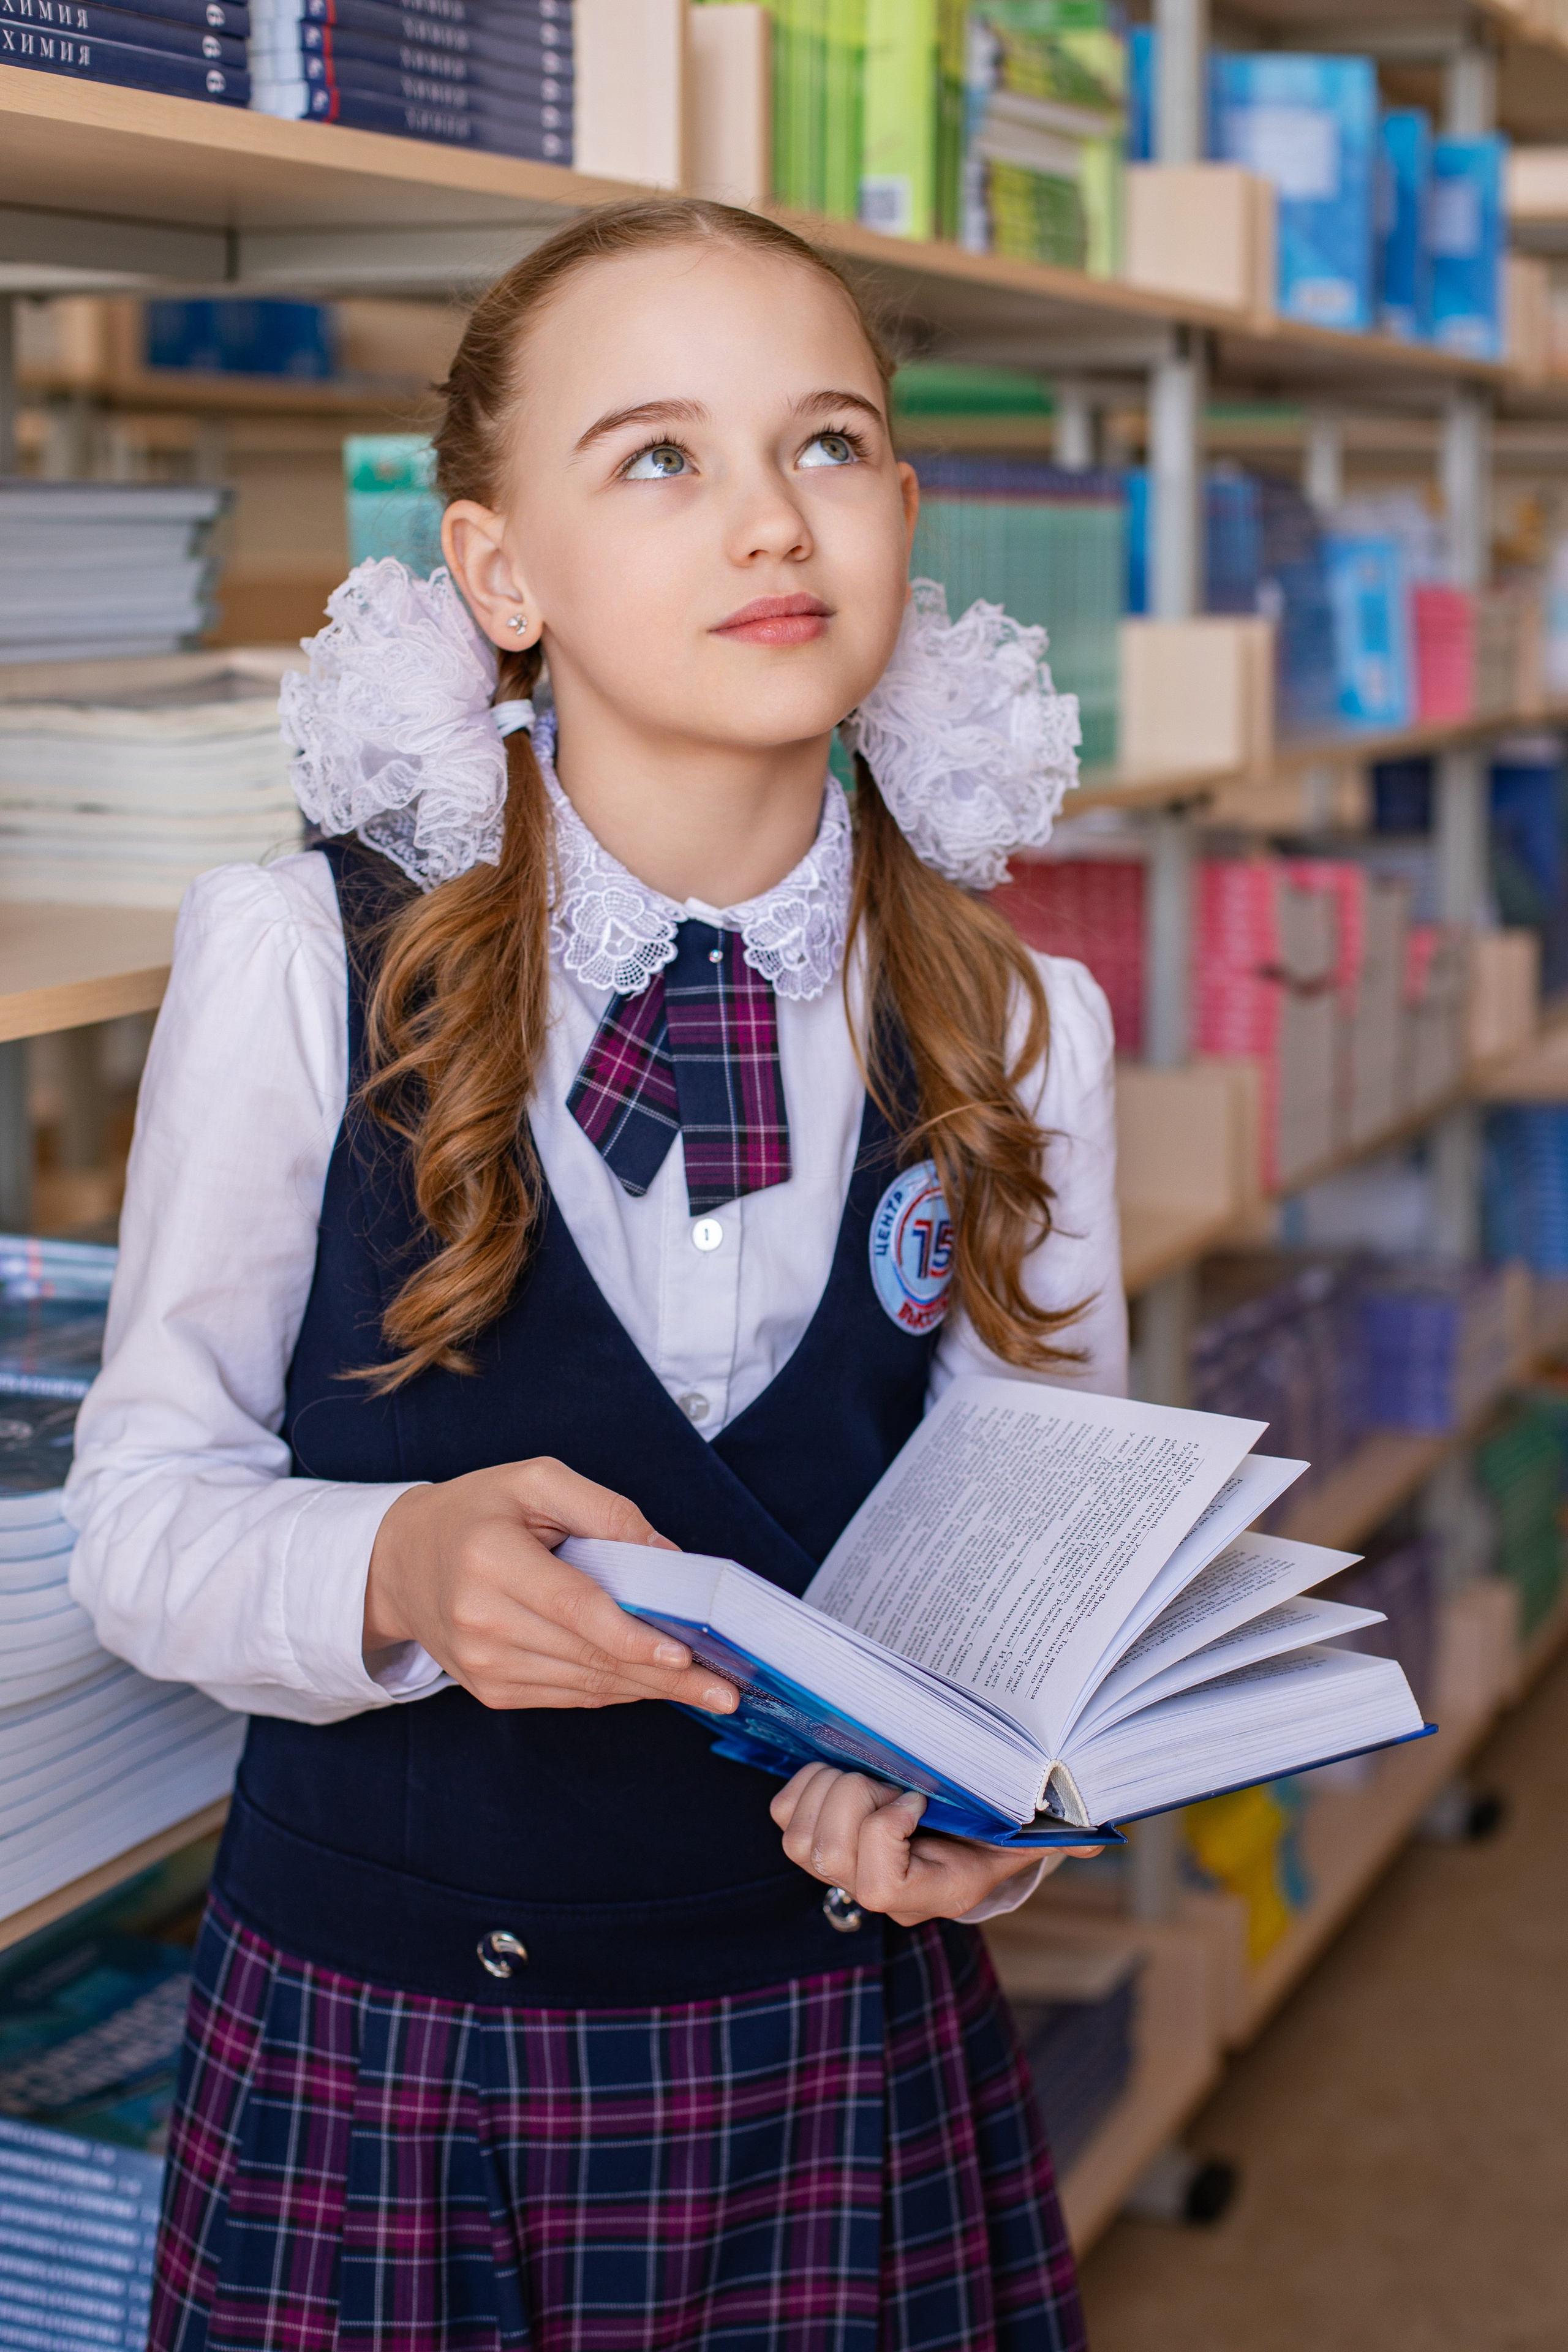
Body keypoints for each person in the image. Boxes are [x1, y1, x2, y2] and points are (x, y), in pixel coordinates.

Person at [66, 197, 1125, 2351]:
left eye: (826, 446)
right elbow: (139, 1523)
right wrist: (401, 1567)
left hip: (843, 2035)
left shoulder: (1019, 1028)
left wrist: (998, 1828)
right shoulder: (294, 959)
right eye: (660, 457)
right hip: (389, 2062)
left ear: (906, 515)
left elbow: (1060, 1566)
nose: (766, 522)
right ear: (498, 574)